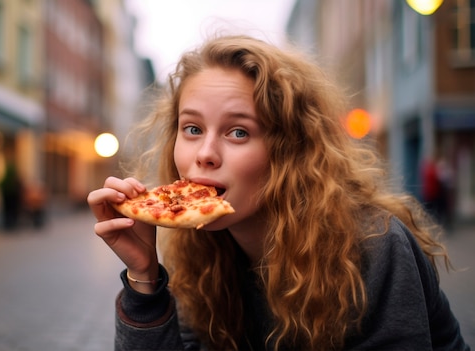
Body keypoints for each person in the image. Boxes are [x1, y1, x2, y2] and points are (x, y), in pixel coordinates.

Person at [87, 34, 470, 351]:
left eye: (238, 132)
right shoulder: (200, 255)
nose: (204, 154)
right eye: (192, 129)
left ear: (290, 150)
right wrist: (144, 279)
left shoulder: (373, 246)